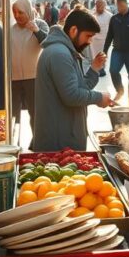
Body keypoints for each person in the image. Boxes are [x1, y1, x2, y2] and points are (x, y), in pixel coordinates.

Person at [31, 9, 112, 151]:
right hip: (58, 142)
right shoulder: (59, 54)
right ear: (74, 30)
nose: (89, 41)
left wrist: (94, 69)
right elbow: (71, 95)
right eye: (88, 36)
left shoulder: (67, 51)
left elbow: (82, 87)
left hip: (65, 137)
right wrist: (99, 98)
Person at [9, 0, 49, 128]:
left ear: (28, 11)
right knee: (13, 114)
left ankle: (37, 141)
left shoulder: (40, 24)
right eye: (14, 12)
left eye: (20, 12)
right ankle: (14, 141)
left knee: (36, 112)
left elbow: (48, 44)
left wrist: (36, 31)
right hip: (13, 78)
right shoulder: (11, 30)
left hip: (34, 78)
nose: (17, 16)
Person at [90, 0, 113, 77]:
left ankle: (102, 68)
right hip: (93, 40)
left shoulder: (109, 16)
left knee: (103, 55)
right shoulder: (91, 15)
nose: (99, 7)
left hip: (104, 40)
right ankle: (95, 69)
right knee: (94, 55)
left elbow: (112, 28)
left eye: (101, 6)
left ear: (104, 6)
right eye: (97, 5)